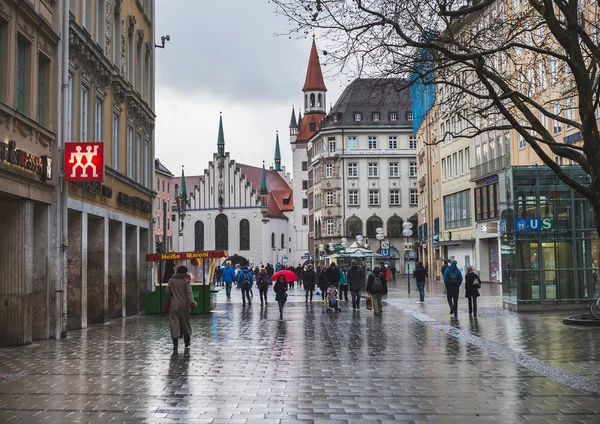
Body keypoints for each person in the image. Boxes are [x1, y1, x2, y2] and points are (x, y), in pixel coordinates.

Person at [167, 266, 197, 350]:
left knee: (174, 323)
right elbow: (189, 293)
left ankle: (175, 343)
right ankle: (187, 342)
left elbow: (167, 292)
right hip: (183, 305)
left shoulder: (171, 280)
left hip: (173, 304)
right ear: (184, 273)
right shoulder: (186, 281)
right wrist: (192, 303)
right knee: (185, 323)